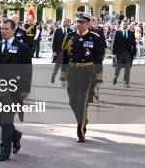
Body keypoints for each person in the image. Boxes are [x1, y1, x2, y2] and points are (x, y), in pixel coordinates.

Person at [0, 18, 32, 161]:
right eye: (1, 28)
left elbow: (27, 70)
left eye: (6, 29)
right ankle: (15, 135)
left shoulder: (22, 47)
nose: (3, 31)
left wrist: (25, 89)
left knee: (7, 118)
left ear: (14, 30)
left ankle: (4, 151)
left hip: (14, 89)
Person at [59, 12, 105, 143]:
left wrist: (99, 79)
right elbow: (65, 58)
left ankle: (81, 131)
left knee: (82, 102)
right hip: (73, 72)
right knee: (72, 101)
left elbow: (98, 60)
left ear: (89, 23)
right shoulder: (69, 37)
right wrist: (62, 76)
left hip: (87, 73)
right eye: (78, 22)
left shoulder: (96, 38)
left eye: (82, 22)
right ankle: (83, 119)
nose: (79, 24)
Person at [112, 20, 137, 88]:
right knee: (118, 68)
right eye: (123, 24)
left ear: (128, 25)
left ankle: (126, 82)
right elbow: (114, 43)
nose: (125, 25)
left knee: (127, 68)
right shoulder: (117, 33)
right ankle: (116, 76)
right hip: (119, 54)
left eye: (126, 24)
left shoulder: (131, 33)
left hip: (128, 54)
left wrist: (134, 54)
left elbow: (134, 44)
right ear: (121, 25)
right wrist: (113, 53)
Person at [50, 18, 70, 83]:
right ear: (61, 23)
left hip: (67, 52)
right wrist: (54, 51)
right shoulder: (57, 30)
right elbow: (54, 41)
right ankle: (53, 75)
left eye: (66, 22)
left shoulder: (70, 31)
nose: (65, 23)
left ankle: (66, 79)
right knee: (58, 65)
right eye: (64, 22)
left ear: (68, 23)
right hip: (59, 51)